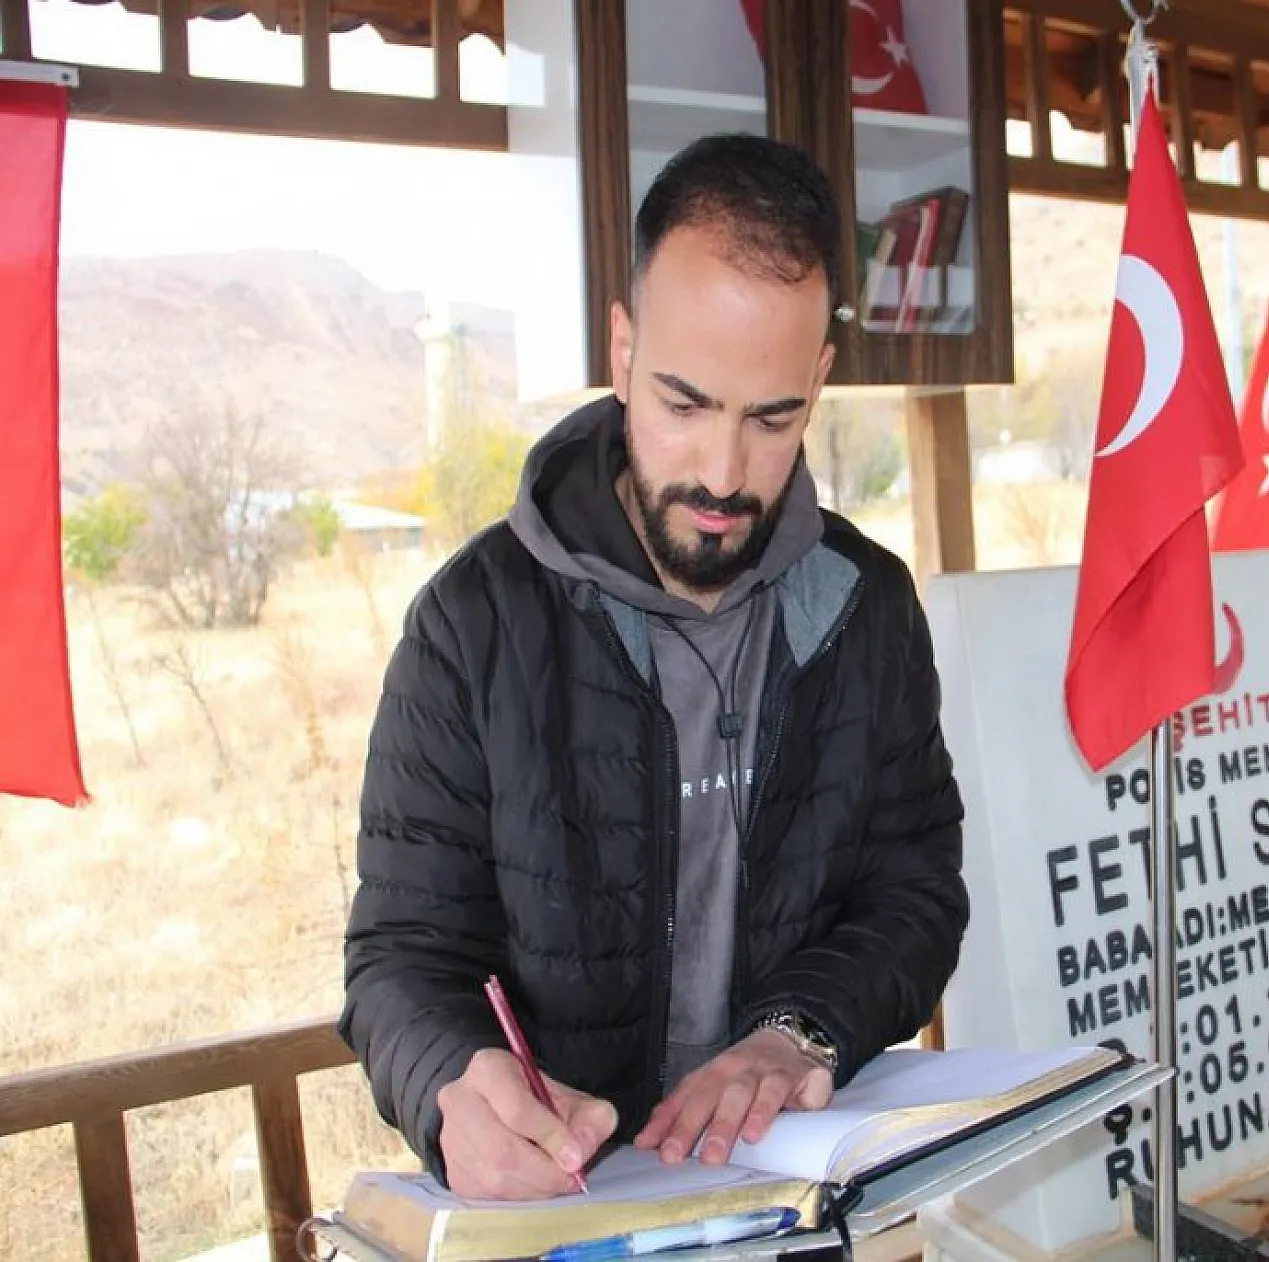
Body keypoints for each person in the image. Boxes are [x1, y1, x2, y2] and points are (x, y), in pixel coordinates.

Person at [338, 133, 969, 1202]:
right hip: (573, 1208)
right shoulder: (471, 624)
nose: (722, 474)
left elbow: (913, 889)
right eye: (684, 404)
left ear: (818, 380)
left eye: (773, 418)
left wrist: (800, 1030)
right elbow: (401, 953)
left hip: (795, 1199)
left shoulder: (865, 609)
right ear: (622, 351)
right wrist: (451, 1081)